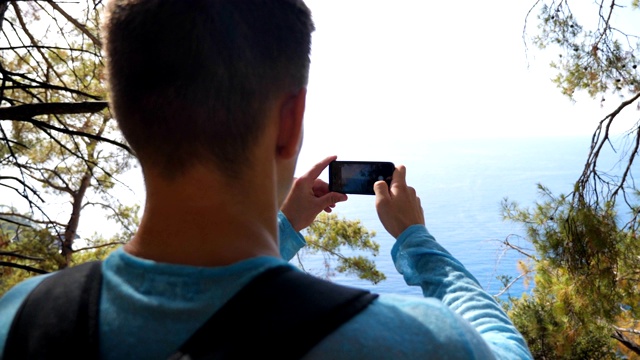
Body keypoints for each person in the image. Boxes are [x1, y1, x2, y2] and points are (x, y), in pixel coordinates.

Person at [0, 0, 533, 359]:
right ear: (290, 121)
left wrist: (285, 224)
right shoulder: (413, 343)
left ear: (125, 117)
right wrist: (419, 243)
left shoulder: (21, 317)